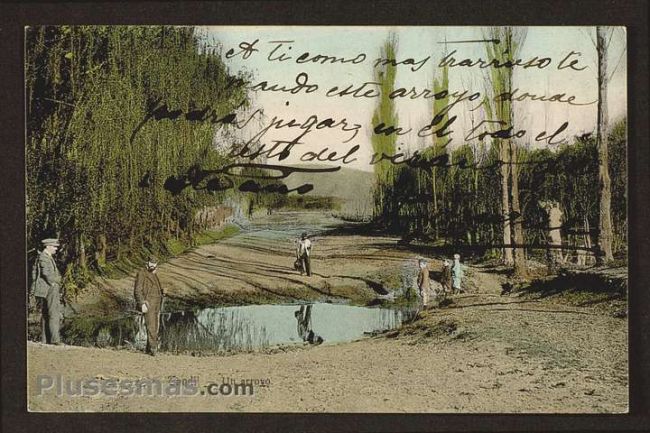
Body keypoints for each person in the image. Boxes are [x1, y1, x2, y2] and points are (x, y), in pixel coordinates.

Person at [29, 238, 64, 345]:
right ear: (48, 246)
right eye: (54, 247)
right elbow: (46, 273)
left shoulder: (45, 257)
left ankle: (45, 340)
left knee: (46, 314)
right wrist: (54, 282)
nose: (56, 249)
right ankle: (55, 340)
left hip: (47, 288)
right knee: (54, 313)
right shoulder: (44, 257)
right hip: (50, 288)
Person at [134, 256, 165, 356]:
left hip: (157, 304)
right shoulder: (142, 273)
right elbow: (137, 291)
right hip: (148, 303)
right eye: (151, 263)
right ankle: (153, 349)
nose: (153, 265)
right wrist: (142, 303)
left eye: (155, 263)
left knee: (155, 326)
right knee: (151, 326)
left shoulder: (154, 274)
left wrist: (162, 292)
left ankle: (149, 348)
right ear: (147, 262)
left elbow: (155, 288)